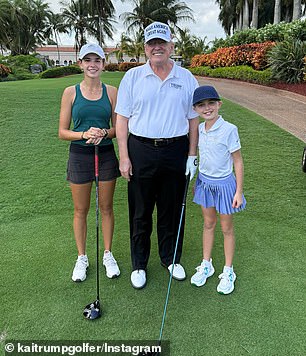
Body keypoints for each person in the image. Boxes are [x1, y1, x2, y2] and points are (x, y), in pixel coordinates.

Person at [115, 21, 199, 289]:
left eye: (162, 43)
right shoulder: (133, 77)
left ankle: (170, 258)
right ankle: (139, 263)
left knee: (172, 209)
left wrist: (191, 155)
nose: (157, 47)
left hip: (176, 150)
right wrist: (124, 156)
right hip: (140, 149)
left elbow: (194, 121)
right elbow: (122, 120)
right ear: (145, 48)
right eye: (152, 44)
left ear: (172, 46)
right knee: (140, 211)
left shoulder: (186, 78)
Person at [58, 43, 121, 282]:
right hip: (79, 155)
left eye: (97, 60)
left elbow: (118, 128)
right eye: (88, 60)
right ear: (81, 64)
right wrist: (84, 134)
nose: (92, 65)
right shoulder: (70, 92)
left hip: (105, 154)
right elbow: (63, 132)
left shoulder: (112, 91)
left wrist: (104, 132)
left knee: (106, 207)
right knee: (80, 209)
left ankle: (107, 254)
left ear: (103, 64)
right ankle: (82, 257)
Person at [190, 85, 246, 295]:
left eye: (211, 103)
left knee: (226, 228)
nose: (207, 108)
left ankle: (228, 270)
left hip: (225, 186)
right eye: (201, 105)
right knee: (208, 224)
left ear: (219, 104)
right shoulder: (199, 130)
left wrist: (238, 191)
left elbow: (238, 162)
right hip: (205, 183)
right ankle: (207, 264)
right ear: (196, 109)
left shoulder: (229, 129)